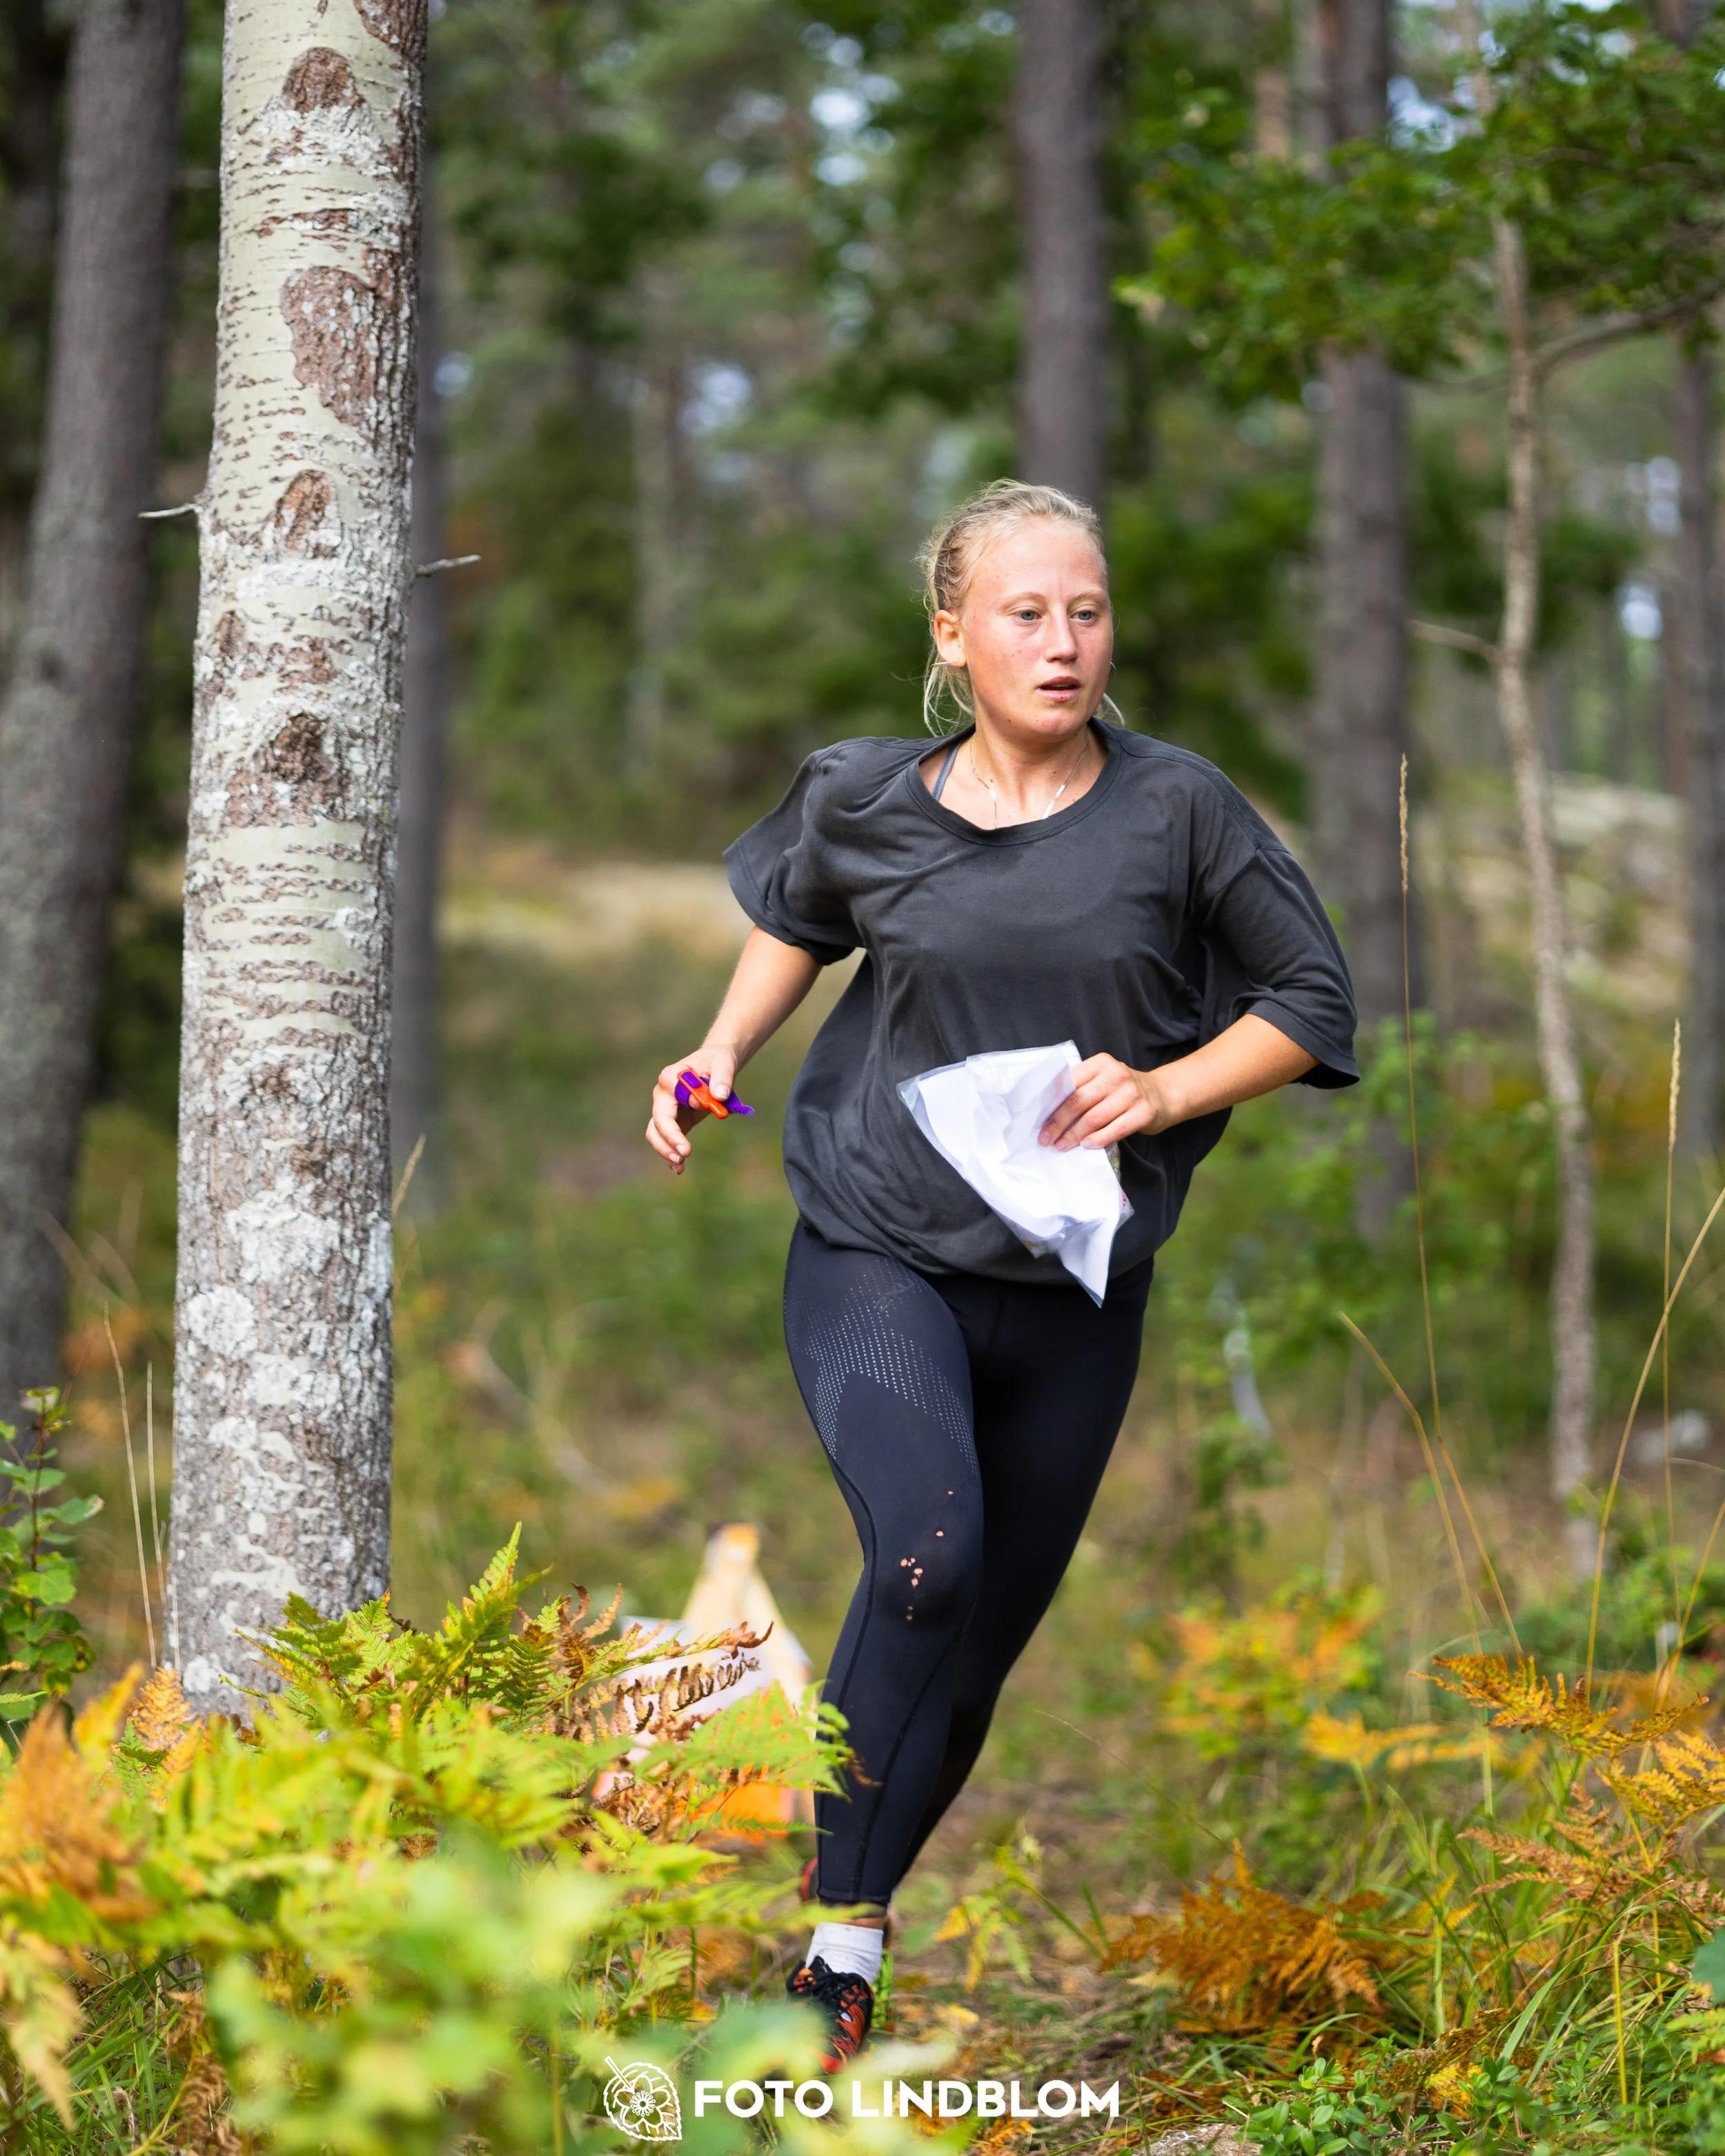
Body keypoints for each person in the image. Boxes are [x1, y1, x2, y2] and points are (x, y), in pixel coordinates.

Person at [644, 479, 1357, 2069]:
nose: (1061, 639)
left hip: (1072, 1286)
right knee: (923, 1556)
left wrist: (1169, 1088)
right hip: (875, 1241)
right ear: (952, 634)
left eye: (1086, 609)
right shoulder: (863, 792)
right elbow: (800, 915)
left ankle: (839, 1937)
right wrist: (715, 1044)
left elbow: (1309, 998)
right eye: (1025, 612)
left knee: (969, 1647)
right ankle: (831, 1970)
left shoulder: (1180, 811)